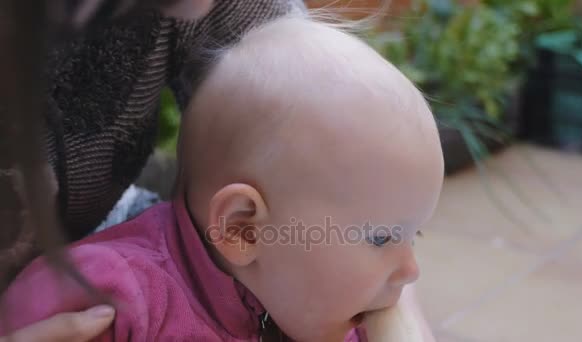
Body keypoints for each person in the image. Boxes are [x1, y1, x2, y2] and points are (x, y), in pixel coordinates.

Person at [0, 15, 443, 341]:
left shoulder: (310, 303)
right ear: (241, 227)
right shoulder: (108, 298)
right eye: (383, 238)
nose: (410, 271)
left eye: (413, 235)